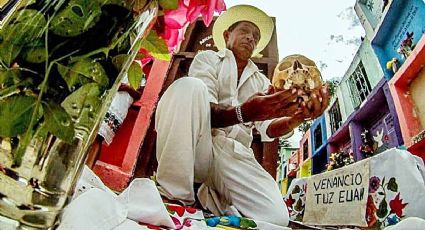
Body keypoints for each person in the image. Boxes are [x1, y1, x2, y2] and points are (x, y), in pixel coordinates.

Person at [155, 5, 329, 227]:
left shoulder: (262, 82)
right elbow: (207, 112)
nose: (250, 38)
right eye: (245, 31)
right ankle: (174, 196)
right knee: (188, 87)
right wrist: (244, 112)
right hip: (200, 146)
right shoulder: (208, 59)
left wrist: (298, 117)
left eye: (255, 37)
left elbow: (269, 129)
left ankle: (209, 203)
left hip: (236, 154)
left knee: (276, 219)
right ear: (227, 35)